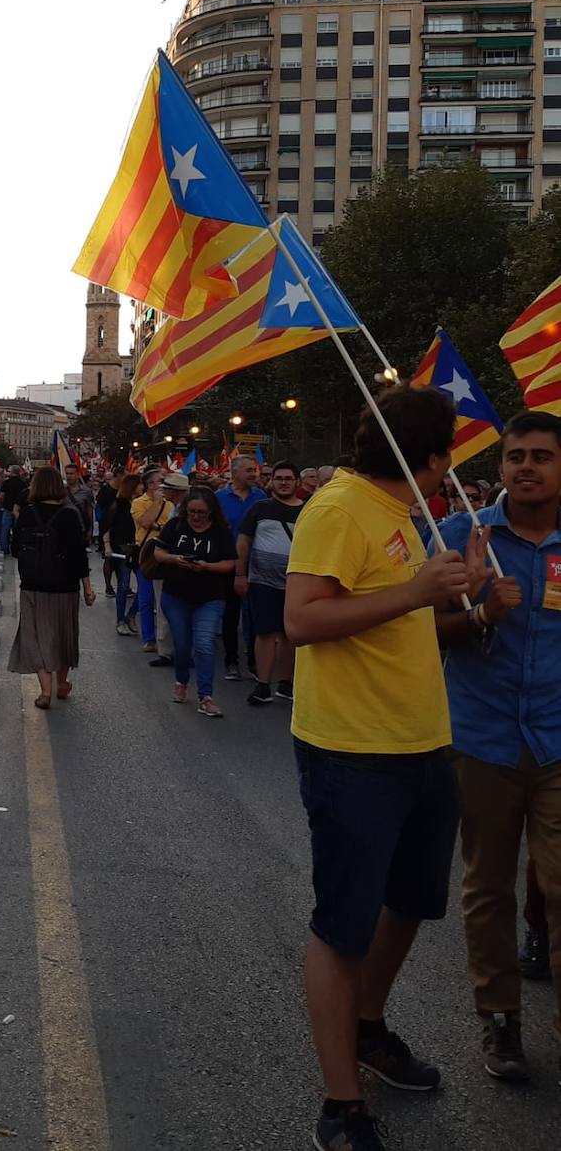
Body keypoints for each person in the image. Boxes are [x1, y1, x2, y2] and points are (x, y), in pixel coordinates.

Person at [284, 385, 474, 1151]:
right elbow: (302, 620)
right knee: (343, 926)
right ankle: (342, 1106)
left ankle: (368, 1028)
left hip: (423, 743)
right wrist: (416, 591)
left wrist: (473, 605)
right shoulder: (337, 508)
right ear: (433, 460)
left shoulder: (404, 518)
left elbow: (410, 625)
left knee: (413, 903)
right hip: (352, 751)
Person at [434, 411, 561, 1083]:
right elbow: (424, 631)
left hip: (558, 742)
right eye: (516, 456)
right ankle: (500, 1019)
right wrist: (480, 608)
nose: (527, 467)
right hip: (482, 739)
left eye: (541, 456)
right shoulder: (463, 534)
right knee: (487, 888)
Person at [9, 466, 94, 709]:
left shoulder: (27, 513)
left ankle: (45, 691)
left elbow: (15, 549)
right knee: (63, 635)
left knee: (35, 635)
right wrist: (87, 588)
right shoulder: (69, 514)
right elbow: (79, 556)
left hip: (33, 585)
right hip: (64, 586)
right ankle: (62, 681)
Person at [154, 485, 236, 717]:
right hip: (176, 595)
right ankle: (181, 681)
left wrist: (207, 566)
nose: (196, 517)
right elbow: (157, 553)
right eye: (191, 512)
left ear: (211, 512)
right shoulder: (175, 526)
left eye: (201, 513)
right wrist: (174, 559)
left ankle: (206, 696)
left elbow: (230, 563)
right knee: (182, 645)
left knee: (204, 644)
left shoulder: (220, 532)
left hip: (210, 597)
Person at [235, 459, 305, 706]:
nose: (284, 483)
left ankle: (286, 684)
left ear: (297, 482)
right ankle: (263, 685)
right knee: (264, 632)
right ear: (272, 482)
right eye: (279, 479)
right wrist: (240, 575)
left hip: (296, 583)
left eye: (288, 479)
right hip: (262, 582)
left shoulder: (309, 510)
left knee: (290, 635)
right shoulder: (259, 508)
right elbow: (243, 542)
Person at [215, 454, 267, 682]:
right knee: (230, 614)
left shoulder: (261, 497)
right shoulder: (218, 498)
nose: (254, 474)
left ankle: (255, 662)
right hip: (228, 563)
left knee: (255, 615)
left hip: (257, 563)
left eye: (254, 470)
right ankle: (231, 661)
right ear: (234, 472)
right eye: (248, 470)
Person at [130, 468, 172, 655]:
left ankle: (166, 639)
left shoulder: (171, 503)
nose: (163, 484)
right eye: (159, 481)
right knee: (146, 597)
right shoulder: (138, 503)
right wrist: (156, 503)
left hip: (165, 553)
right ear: (150, 485)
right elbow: (145, 522)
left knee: (165, 599)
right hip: (146, 553)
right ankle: (149, 639)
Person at [107, 473, 142, 636]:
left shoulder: (142, 504)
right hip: (123, 550)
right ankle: (120, 620)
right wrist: (107, 546)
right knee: (123, 586)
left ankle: (131, 615)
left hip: (140, 549)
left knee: (145, 587)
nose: (143, 487)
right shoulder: (118, 505)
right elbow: (107, 527)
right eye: (140, 484)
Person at [0, 465, 27, 552]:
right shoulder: (23, 483)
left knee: (5, 529)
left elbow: (1, 496)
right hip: (19, 509)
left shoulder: (6, 483)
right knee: (18, 529)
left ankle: (4, 547)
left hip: (7, 508)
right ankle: (17, 547)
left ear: (12, 472)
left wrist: (2, 504)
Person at [63, 462, 96, 547]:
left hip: (81, 529)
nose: (69, 476)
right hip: (64, 528)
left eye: (71, 473)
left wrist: (90, 530)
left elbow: (89, 511)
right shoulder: (61, 491)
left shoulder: (86, 491)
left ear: (77, 474)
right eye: (67, 473)